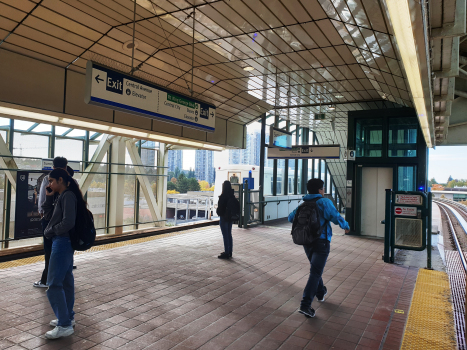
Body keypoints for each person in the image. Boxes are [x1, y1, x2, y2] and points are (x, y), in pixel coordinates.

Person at [288, 178, 350, 318]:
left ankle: (321, 292)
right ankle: (305, 305)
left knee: (315, 269)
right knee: (315, 272)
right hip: (321, 242)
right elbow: (336, 217)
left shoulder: (304, 203)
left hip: (307, 241)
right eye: (323, 189)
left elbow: (290, 218)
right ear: (320, 190)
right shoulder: (324, 202)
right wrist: (346, 227)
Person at [42, 168, 86, 339]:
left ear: (60, 180)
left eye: (52, 181)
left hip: (62, 241)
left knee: (53, 284)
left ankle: (64, 324)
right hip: (63, 241)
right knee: (66, 281)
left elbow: (68, 221)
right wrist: (49, 195)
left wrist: (52, 231)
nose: (50, 184)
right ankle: (67, 317)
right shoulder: (62, 195)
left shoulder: (67, 196)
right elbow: (47, 213)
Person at [34, 157, 69, 288]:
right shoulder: (70, 180)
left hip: (50, 222)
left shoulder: (48, 179)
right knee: (63, 250)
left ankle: (46, 280)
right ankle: (62, 278)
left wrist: (43, 216)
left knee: (49, 250)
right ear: (66, 167)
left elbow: (42, 201)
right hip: (64, 223)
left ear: (53, 167)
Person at [216, 181, 237, 259]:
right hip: (230, 217)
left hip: (224, 217)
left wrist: (218, 212)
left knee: (225, 235)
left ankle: (226, 252)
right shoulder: (232, 195)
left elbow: (220, 208)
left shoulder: (223, 196)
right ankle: (230, 251)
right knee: (229, 234)